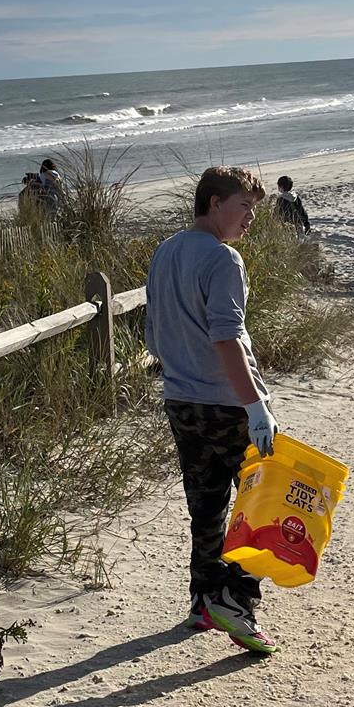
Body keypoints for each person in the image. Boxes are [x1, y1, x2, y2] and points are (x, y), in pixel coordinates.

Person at [144, 166, 279, 656]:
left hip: (180, 400)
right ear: (215, 202)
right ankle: (236, 600)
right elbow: (226, 338)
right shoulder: (224, 259)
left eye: (254, 209)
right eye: (244, 206)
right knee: (264, 506)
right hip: (228, 403)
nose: (249, 218)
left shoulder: (165, 251)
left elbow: (152, 331)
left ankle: (203, 600)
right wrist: (256, 408)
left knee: (206, 503)